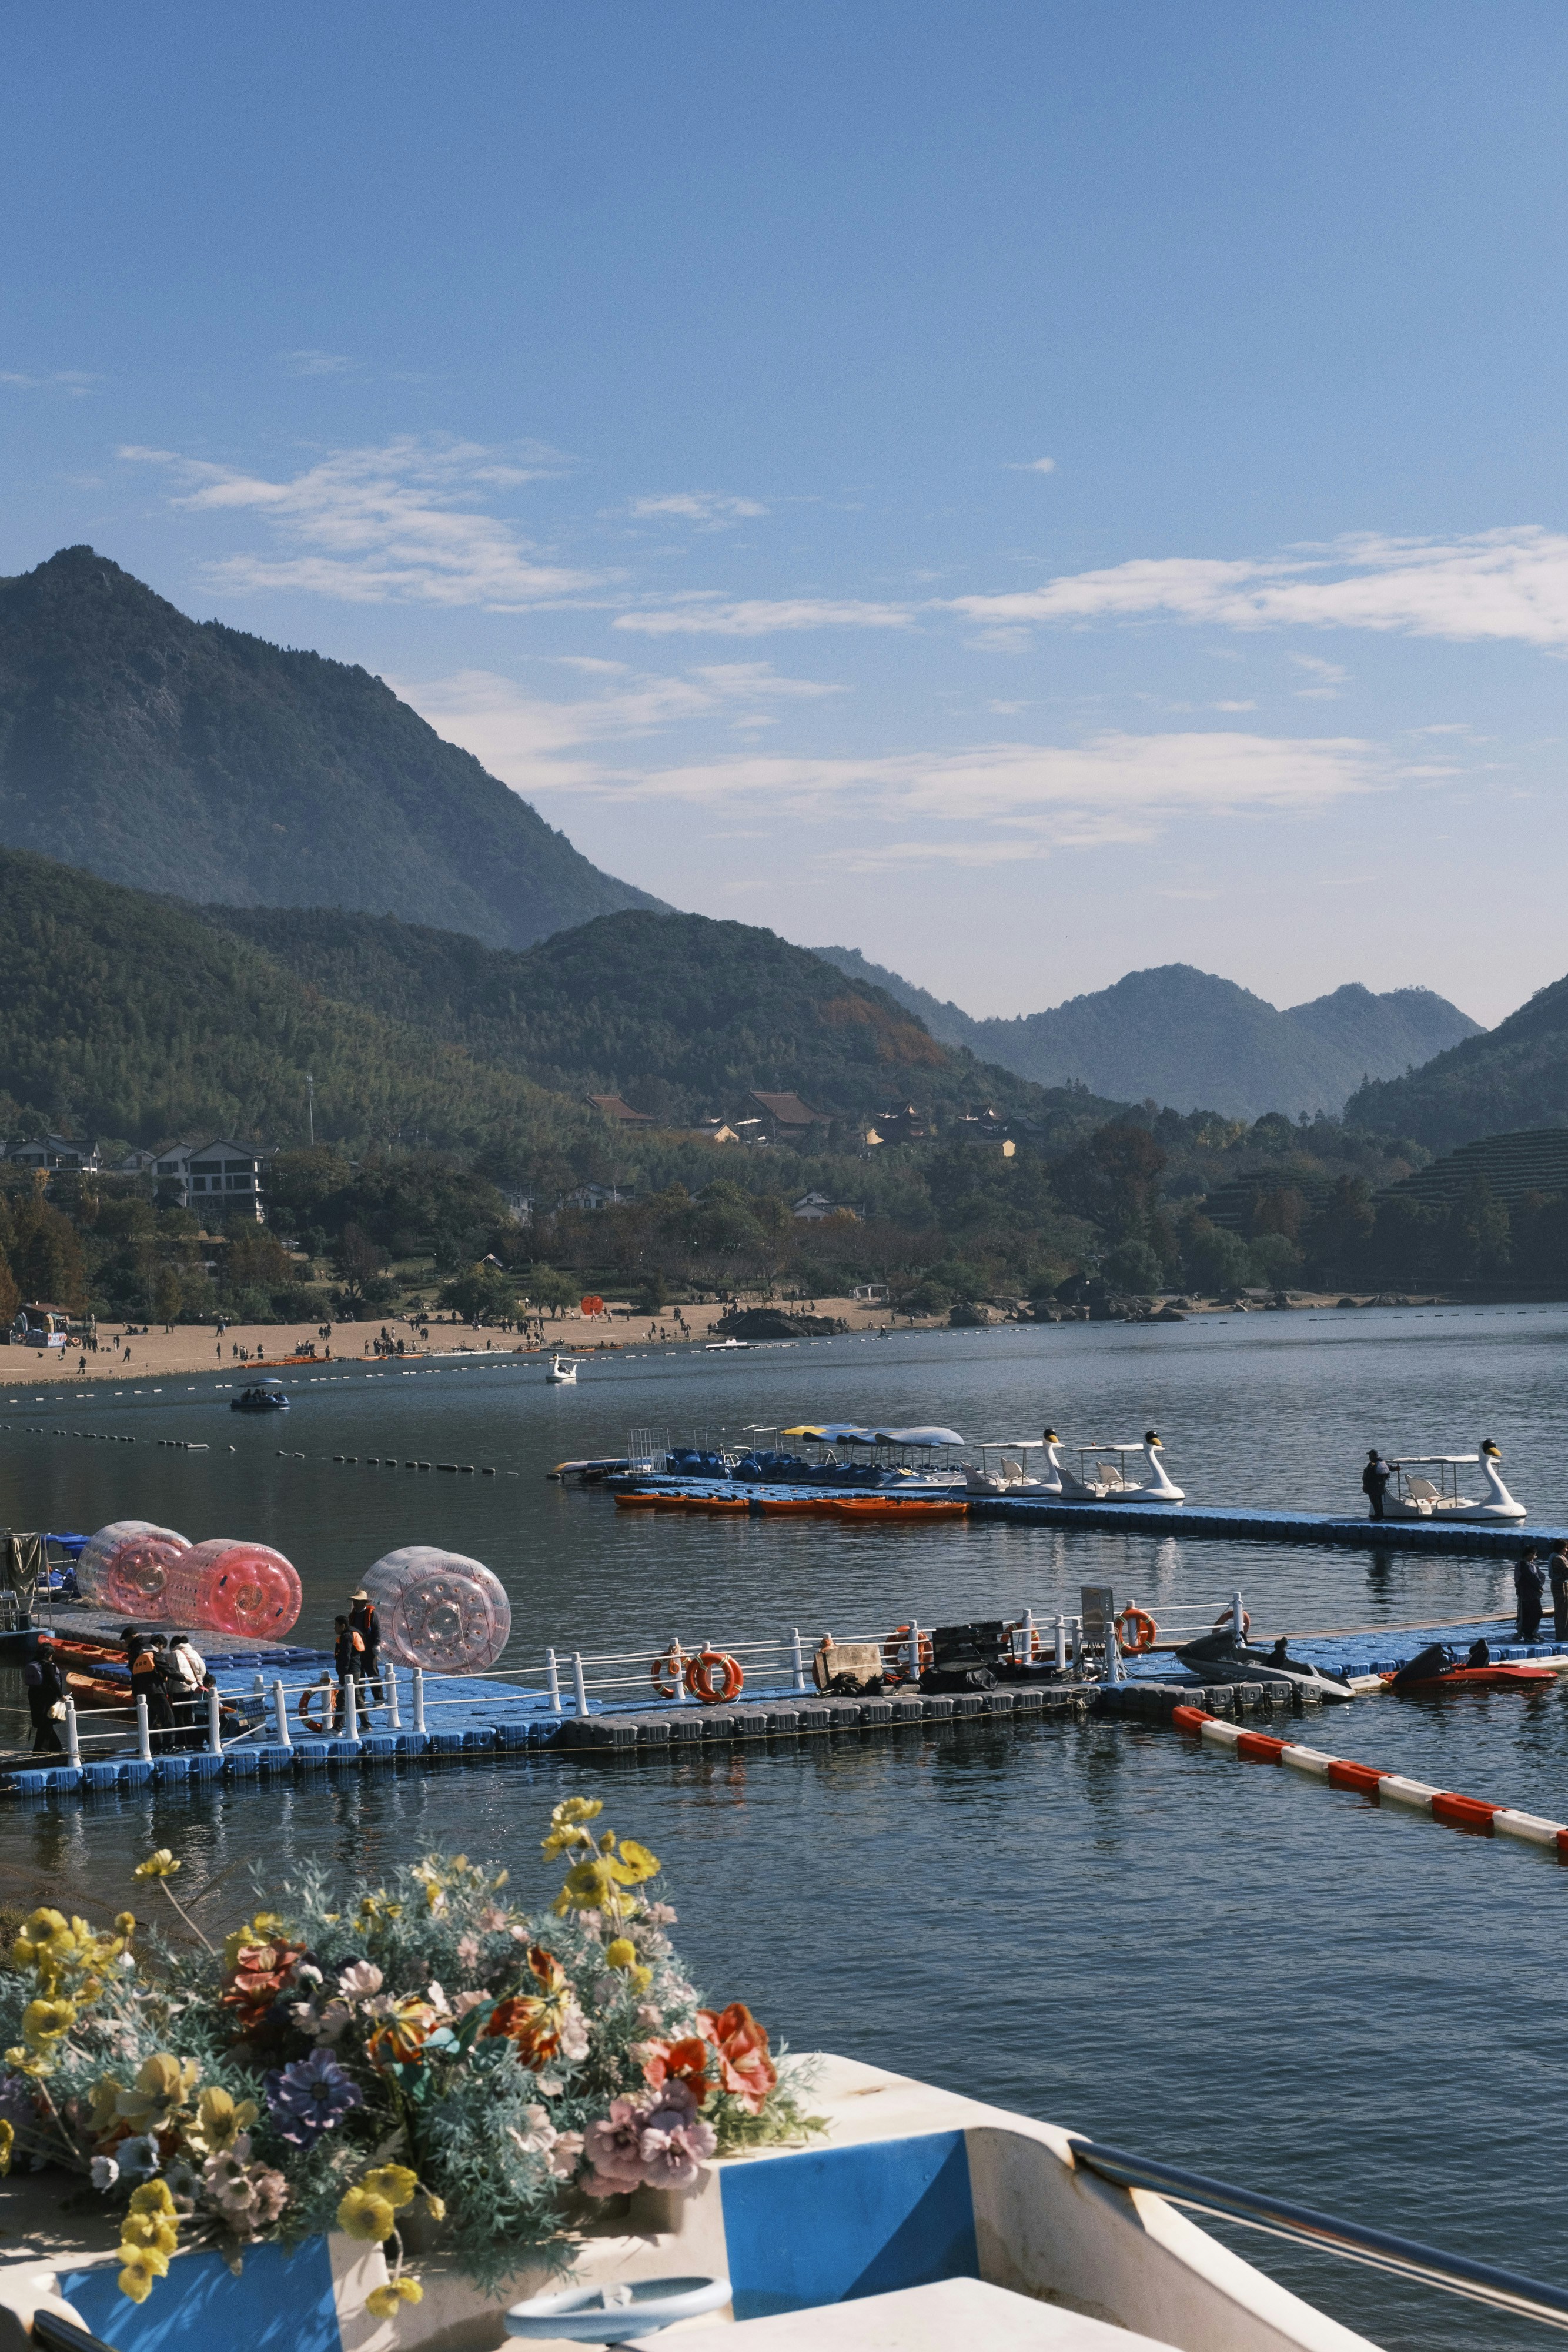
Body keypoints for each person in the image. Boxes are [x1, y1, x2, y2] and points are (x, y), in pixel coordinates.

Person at [24, 1635, 66, 1755]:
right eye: (52, 1654)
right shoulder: (47, 1665)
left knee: (44, 1723)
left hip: (33, 1694)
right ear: (48, 1654)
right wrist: (61, 1696)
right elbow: (53, 1682)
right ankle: (39, 1751)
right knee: (46, 1723)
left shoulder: (33, 1662)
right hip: (46, 1697)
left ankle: (56, 1747)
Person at [166, 1632, 206, 1749]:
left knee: (179, 1717)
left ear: (174, 1644)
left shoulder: (173, 1654)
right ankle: (191, 1741)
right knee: (190, 1716)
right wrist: (198, 1681)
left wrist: (169, 1690)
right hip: (194, 1688)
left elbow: (171, 1674)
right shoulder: (194, 1652)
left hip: (179, 1689)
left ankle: (180, 1742)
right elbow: (202, 1669)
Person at [349, 1588, 383, 1713]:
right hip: (357, 1649)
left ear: (364, 1603)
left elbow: (377, 1630)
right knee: (359, 1674)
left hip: (369, 1648)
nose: (355, 1604)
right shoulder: (353, 1615)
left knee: (373, 1673)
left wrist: (377, 1645)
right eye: (355, 1602)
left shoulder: (372, 1614)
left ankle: (379, 1699)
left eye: (357, 1602)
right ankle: (360, 1699)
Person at [332, 1614, 365, 1732]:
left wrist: (343, 1673)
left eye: (336, 1626)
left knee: (342, 1700)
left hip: (349, 1673)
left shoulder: (346, 1637)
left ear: (343, 1626)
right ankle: (366, 1725)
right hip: (356, 1670)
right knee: (356, 1697)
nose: (334, 1628)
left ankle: (337, 1728)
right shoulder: (355, 1633)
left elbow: (346, 1656)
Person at [1514, 1546, 1545, 1642]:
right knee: (1537, 1613)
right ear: (1530, 1555)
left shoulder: (1528, 1565)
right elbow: (1534, 1579)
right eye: (1535, 1555)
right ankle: (1528, 1633)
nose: (1535, 1557)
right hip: (1529, 1594)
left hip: (1528, 1593)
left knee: (1530, 1614)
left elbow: (1540, 1576)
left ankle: (1529, 1633)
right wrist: (1539, 1586)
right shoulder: (1525, 1566)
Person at [1361, 1448, 1392, 1521]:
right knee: (1379, 1501)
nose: (1369, 1457)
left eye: (1370, 1455)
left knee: (1375, 1502)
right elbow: (1392, 1468)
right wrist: (1397, 1468)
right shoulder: (1383, 1463)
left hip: (1373, 1486)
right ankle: (1381, 1515)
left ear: (1373, 1456)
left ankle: (1378, 1516)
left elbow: (1367, 1476)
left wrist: (1365, 1484)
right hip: (1381, 1486)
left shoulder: (1372, 1464)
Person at [1549, 1545, 1568, 1644]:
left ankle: (1564, 1635)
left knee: (1564, 1613)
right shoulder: (1558, 1559)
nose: (1567, 1550)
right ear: (1561, 1548)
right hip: (1561, 1590)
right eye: (1566, 1547)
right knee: (1562, 1614)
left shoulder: (1557, 1556)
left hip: (1562, 1590)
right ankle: (1562, 1636)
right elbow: (1566, 1572)